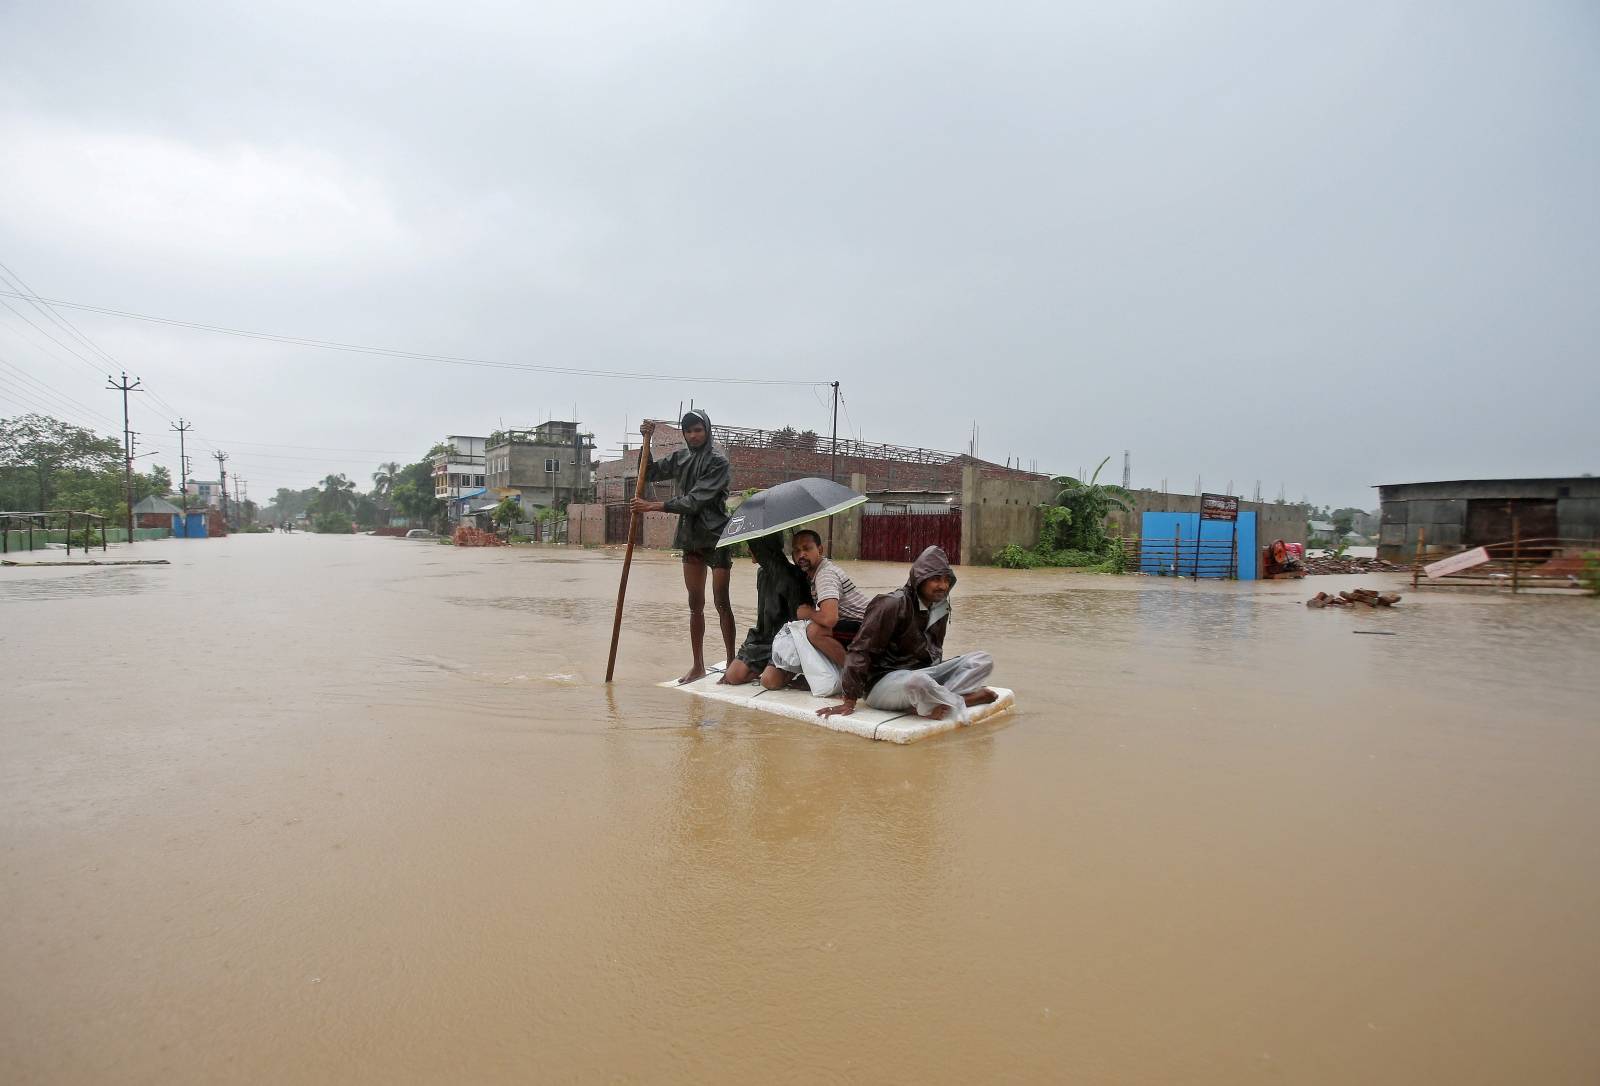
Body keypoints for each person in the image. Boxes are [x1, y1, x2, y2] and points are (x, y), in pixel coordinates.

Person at [817, 545, 998, 723]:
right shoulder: (891, 604)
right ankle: (959, 699)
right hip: (883, 683)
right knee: (918, 681)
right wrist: (850, 699)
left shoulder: (941, 606)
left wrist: (942, 676)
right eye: (935, 579)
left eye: (946, 580)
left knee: (982, 660)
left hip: (922, 674)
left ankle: (934, 702)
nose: (943, 586)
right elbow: (860, 650)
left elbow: (935, 650)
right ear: (920, 579)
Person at [632, 411, 735, 683]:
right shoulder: (681, 457)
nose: (694, 435)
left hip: (716, 535)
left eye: (698, 430)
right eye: (689, 431)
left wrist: (653, 506)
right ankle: (698, 665)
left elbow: (695, 500)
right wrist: (647, 441)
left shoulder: (718, 461)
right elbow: (650, 473)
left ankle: (732, 662)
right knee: (694, 604)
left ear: (707, 430)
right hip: (690, 536)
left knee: (722, 602)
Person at [721, 533, 811, 686]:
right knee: (732, 676)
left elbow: (798, 623)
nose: (750, 550)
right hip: (763, 639)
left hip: (786, 639)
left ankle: (785, 671)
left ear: (764, 549)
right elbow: (763, 617)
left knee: (769, 681)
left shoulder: (793, 576)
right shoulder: (762, 573)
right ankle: (767, 666)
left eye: (753, 547)